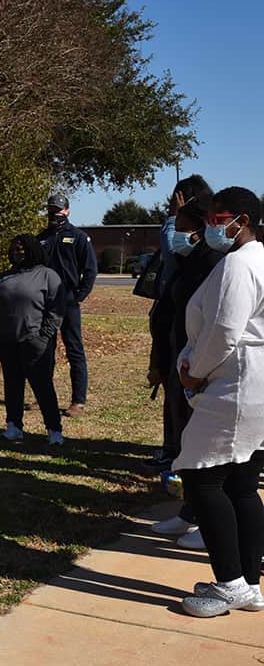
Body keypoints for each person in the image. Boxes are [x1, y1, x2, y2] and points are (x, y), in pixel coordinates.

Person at [171, 187, 264, 617]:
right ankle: (247, 580)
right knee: (242, 482)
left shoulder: (239, 264)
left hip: (234, 381)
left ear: (241, 220)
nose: (211, 225)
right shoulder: (260, 259)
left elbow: (226, 329)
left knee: (199, 474)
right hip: (252, 381)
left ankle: (229, 583)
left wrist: (196, 371)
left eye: (217, 218)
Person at [146, 191, 220, 545]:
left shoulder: (215, 264)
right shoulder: (187, 261)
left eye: (181, 228)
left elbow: (220, 326)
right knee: (186, 443)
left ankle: (210, 522)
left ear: (201, 229)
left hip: (202, 369)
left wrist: (199, 370)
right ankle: (189, 511)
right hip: (181, 360)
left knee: (206, 451)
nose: (176, 235)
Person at [0, 235, 65, 445]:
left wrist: (43, 336)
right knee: (12, 384)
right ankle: (13, 426)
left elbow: (56, 310)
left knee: (42, 386)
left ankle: (54, 430)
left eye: (21, 249)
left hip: (35, 341)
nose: (17, 253)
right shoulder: (4, 278)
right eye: (14, 249)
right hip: (6, 341)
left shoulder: (48, 276)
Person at [37, 194, 98, 417]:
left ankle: (78, 401)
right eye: (51, 210)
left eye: (59, 210)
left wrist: (79, 296)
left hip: (68, 302)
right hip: (45, 303)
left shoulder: (79, 237)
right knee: (44, 350)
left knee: (74, 350)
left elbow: (90, 270)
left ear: (68, 211)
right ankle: (44, 396)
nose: (55, 214)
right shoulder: (41, 238)